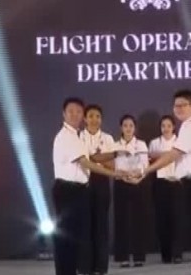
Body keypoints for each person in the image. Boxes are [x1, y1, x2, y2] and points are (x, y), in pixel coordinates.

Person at [130, 89, 191, 275]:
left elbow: (173, 154)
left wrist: (146, 170)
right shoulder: (188, 125)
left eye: (182, 105)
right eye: (175, 105)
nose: (178, 109)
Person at [51, 97, 125, 275]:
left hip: (79, 189)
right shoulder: (66, 136)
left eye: (78, 111)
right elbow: (86, 162)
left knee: (76, 236)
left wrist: (117, 158)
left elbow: (93, 158)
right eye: (71, 111)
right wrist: (115, 174)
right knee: (67, 237)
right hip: (68, 189)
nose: (75, 115)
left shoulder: (76, 136)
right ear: (64, 114)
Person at [78, 105, 116, 275]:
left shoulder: (107, 139)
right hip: (82, 182)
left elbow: (112, 164)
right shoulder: (78, 137)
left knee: (101, 224)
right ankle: (85, 266)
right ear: (85, 119)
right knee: (84, 224)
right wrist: (98, 159)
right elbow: (79, 160)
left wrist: (93, 158)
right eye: (91, 116)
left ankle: (101, 267)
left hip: (102, 182)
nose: (94, 119)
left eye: (98, 116)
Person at [112, 115, 150, 268]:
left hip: (138, 183)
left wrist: (137, 175)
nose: (128, 128)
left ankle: (139, 256)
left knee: (138, 220)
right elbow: (114, 166)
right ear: (121, 128)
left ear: (135, 128)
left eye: (131, 126)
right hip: (120, 184)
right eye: (125, 125)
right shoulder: (114, 146)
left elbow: (145, 165)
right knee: (121, 220)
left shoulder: (141, 144)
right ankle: (123, 257)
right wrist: (124, 174)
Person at [148, 116, 184, 264]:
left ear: (173, 127)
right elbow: (150, 157)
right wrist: (167, 154)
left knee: (177, 219)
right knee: (162, 219)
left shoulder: (180, 141)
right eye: (163, 126)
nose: (166, 128)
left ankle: (177, 253)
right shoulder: (154, 143)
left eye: (169, 125)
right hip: (160, 183)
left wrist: (163, 155)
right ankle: (166, 254)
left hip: (177, 182)